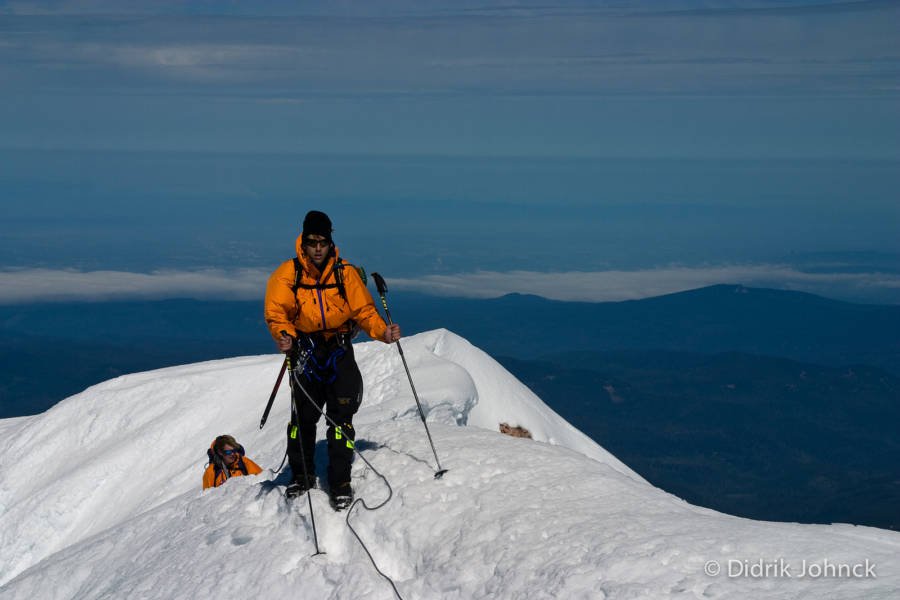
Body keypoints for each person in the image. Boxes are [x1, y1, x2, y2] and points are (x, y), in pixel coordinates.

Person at [264, 210, 401, 510]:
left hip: (338, 349)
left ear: (330, 242)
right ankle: (302, 476)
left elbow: (364, 312)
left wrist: (383, 332)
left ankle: (340, 482)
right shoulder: (288, 274)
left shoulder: (345, 273)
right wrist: (285, 335)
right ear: (304, 241)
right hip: (306, 350)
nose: (317, 248)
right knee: (303, 419)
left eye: (322, 242)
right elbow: (277, 313)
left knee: (341, 419)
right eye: (312, 241)